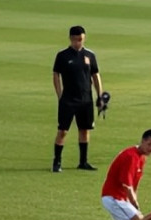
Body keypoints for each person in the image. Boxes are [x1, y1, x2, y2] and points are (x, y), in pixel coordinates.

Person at [52, 26, 103, 173]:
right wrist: (60, 95)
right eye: (75, 40)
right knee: (63, 131)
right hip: (68, 99)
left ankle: (83, 161)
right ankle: (57, 162)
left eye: (80, 39)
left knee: (84, 130)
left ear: (84, 38)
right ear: (70, 38)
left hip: (86, 99)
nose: (78, 42)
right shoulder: (62, 55)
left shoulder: (89, 55)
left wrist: (100, 95)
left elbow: (95, 75)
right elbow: (56, 74)